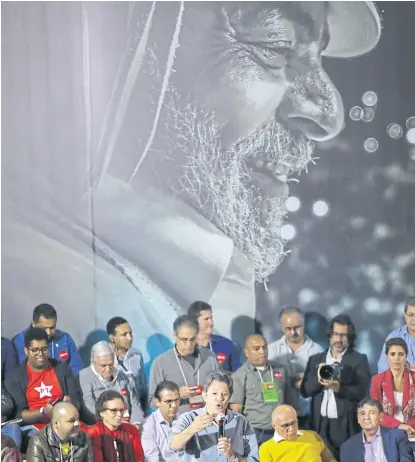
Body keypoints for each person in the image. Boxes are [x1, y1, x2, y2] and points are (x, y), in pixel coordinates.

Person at [2, 3, 381, 359]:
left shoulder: (163, 286)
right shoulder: (60, 307)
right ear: (116, 41)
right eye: (277, 44)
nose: (330, 115)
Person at [230, 334, 288, 462]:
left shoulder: (280, 370)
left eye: (264, 347)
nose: (261, 351)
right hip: (255, 434)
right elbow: (236, 412)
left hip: (280, 434)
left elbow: (288, 401)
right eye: (255, 348)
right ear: (246, 352)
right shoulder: (240, 375)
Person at [300, 315, 371, 460]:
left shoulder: (358, 359)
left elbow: (362, 392)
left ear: (350, 337)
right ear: (330, 335)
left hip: (344, 426)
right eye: (336, 334)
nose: (339, 339)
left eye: (344, 335)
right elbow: (305, 390)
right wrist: (320, 379)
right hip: (318, 424)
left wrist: (339, 388)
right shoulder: (316, 359)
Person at [3, 328, 82, 450]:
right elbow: (20, 415)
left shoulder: (62, 369)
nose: (40, 354)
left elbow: (76, 402)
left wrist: (69, 405)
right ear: (26, 350)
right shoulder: (15, 377)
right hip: (32, 428)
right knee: (12, 431)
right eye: (35, 350)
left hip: (62, 425)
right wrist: (43, 412)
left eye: (44, 349)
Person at [149, 316, 219, 413]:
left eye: (192, 339)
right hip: (178, 424)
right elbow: (153, 402)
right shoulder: (160, 363)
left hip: (208, 420)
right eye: (184, 339)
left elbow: (221, 389)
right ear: (174, 336)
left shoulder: (210, 358)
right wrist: (176, 395)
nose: (189, 344)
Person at [268, 307, 323, 427]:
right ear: (282, 327)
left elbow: (322, 383)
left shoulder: (317, 351)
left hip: (308, 415)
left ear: (304, 325)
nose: (293, 332)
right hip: (279, 416)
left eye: (297, 327)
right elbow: (266, 381)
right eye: (288, 328)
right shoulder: (271, 350)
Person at [78, 341, 144, 427]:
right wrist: (112, 424)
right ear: (93, 363)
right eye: (103, 365)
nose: (108, 369)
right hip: (102, 427)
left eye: (111, 364)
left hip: (128, 425)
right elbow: (88, 407)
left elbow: (134, 402)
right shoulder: (84, 376)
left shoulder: (121, 375)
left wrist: (136, 423)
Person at [12, 304, 83, 375]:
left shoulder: (65, 339)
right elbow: (15, 374)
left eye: (52, 328)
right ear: (33, 324)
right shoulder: (18, 342)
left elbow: (76, 369)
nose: (48, 332)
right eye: (44, 328)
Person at [371, 338, 415, 435]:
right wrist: (399, 426)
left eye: (401, 354)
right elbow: (375, 412)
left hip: (412, 431)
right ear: (387, 356)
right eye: (392, 354)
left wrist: (409, 427)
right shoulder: (377, 380)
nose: (396, 358)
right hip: (387, 431)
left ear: (406, 356)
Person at [107, 316, 148, 416]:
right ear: (112, 338)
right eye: (124, 335)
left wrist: (145, 413)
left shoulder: (136, 355)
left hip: (137, 412)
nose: (129, 338)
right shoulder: (104, 357)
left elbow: (143, 387)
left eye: (130, 333)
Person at [187, 301, 241, 372]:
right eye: (206, 319)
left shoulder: (226, 344)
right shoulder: (186, 347)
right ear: (194, 322)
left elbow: (239, 376)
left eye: (211, 318)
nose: (211, 323)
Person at [378, 297, 415, 373]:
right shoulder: (394, 337)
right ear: (405, 316)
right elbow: (383, 370)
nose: (414, 319)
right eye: (410, 315)